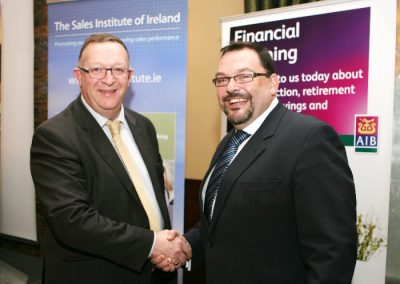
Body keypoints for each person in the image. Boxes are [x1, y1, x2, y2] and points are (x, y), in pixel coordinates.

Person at [182, 42, 357, 283]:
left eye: (244, 76)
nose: (231, 87)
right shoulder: (227, 144)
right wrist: (184, 247)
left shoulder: (310, 138)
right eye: (222, 80)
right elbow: (217, 223)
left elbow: (332, 254)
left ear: (274, 83)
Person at [30, 33, 191, 284]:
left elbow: (151, 198)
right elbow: (72, 221)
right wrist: (152, 245)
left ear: (130, 76)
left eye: (118, 69)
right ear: (78, 76)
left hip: (153, 271)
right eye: (96, 69)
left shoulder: (144, 127)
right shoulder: (54, 136)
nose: (109, 79)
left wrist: (164, 248)